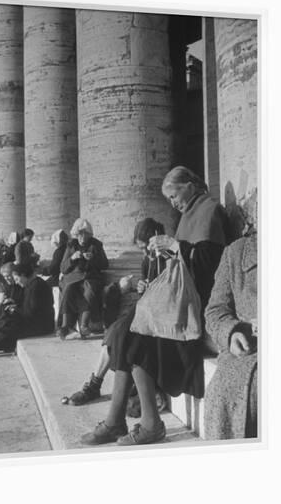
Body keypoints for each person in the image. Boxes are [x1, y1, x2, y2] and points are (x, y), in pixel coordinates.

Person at [83, 166, 229, 446]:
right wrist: (166, 252)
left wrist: (175, 247)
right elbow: (185, 258)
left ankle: (149, 423)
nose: (173, 203)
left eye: (174, 196)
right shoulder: (188, 215)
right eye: (169, 199)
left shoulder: (210, 210)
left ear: (190, 184)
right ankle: (117, 421)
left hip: (195, 306)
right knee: (123, 330)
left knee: (134, 336)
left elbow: (213, 264)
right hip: (178, 300)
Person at [66, 219, 164, 406]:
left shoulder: (168, 258)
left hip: (160, 313)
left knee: (120, 333)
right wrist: (142, 286)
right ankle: (94, 384)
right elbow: (146, 285)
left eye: (147, 248)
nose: (145, 253)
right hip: (146, 308)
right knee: (114, 331)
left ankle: (94, 386)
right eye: (141, 249)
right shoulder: (147, 260)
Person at [204, 229, 257, 440]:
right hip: (246, 353)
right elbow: (215, 311)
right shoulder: (236, 252)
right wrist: (232, 332)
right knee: (223, 395)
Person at [57, 218, 109, 339]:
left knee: (89, 291)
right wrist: (73, 258)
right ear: (76, 234)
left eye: (86, 234)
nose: (83, 237)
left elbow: (105, 264)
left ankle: (84, 325)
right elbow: (63, 268)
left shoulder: (96, 244)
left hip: (91, 277)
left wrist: (94, 258)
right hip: (73, 277)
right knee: (68, 290)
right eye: (80, 234)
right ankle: (66, 326)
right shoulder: (71, 245)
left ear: (90, 234)